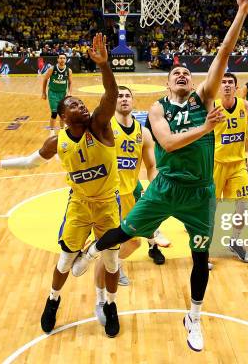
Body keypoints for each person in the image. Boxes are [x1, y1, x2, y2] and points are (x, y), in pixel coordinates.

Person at [70, 0, 248, 352]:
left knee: (201, 260)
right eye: (176, 72)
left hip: (200, 193)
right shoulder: (158, 110)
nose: (182, 74)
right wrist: (206, 128)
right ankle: (91, 252)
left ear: (195, 82)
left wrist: (242, 9)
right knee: (121, 234)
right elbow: (169, 144)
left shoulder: (204, 99)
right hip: (166, 188)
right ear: (166, 81)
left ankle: (194, 317)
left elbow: (224, 53)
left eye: (187, 72)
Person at [0, 34, 123, 338]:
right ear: (63, 117)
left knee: (112, 261)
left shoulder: (99, 127)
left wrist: (105, 66)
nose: (82, 105)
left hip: (106, 205)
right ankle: (52, 300)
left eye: (81, 102)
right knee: (64, 261)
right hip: (78, 205)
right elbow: (29, 163)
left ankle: (111, 305)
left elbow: (111, 94)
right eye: (74, 104)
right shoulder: (56, 142)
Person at [93, 86, 167, 323]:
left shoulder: (143, 133)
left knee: (134, 242)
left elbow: (151, 165)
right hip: (106, 197)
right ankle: (100, 301)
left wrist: (153, 189)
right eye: (120, 96)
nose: (124, 99)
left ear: (134, 102)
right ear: (113, 102)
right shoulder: (105, 128)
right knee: (108, 249)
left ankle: (116, 266)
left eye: (127, 96)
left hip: (127, 195)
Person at [213, 72, 248, 262]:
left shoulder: (245, 106)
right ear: (219, 86)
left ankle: (235, 241)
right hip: (217, 165)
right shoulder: (213, 107)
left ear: (236, 87)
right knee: (212, 208)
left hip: (238, 164)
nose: (226, 85)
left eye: (230, 83)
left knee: (243, 205)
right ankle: (206, 248)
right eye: (223, 82)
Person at [41, 53, 73, 134]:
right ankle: (52, 132)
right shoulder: (52, 69)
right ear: (57, 59)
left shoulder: (68, 70)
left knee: (62, 114)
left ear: (66, 60)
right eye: (61, 58)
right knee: (54, 113)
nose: (62, 59)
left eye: (64, 58)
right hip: (53, 93)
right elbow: (45, 80)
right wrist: (44, 93)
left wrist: (69, 92)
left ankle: (62, 131)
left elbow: (70, 82)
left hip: (62, 94)